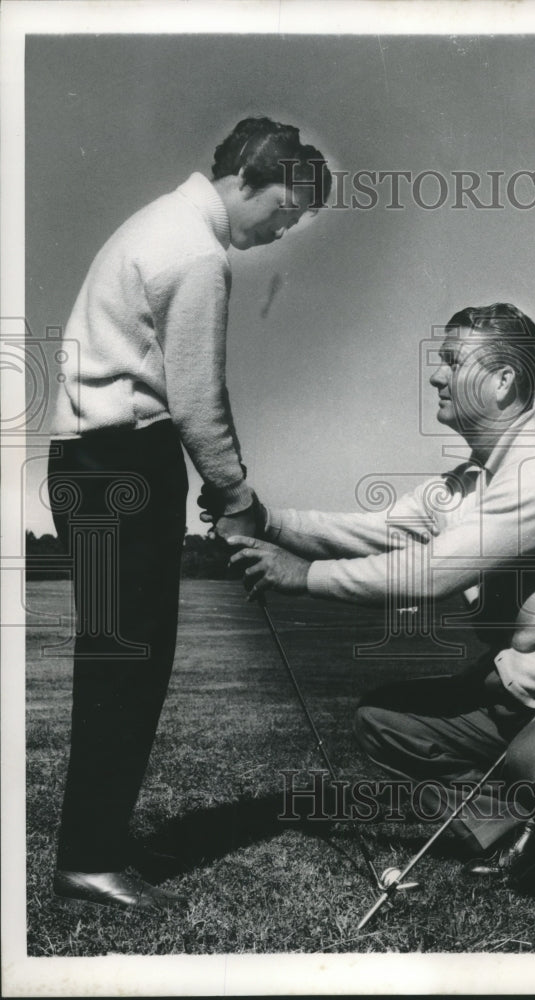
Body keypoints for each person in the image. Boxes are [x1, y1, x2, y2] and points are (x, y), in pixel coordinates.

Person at [225, 301, 535, 897]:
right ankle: (516, 828)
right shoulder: (468, 482)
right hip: (526, 695)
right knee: (385, 725)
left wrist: (301, 576)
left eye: (451, 361)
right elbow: (371, 530)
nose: (436, 376)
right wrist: (265, 520)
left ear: (502, 381)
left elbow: (433, 573)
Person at [47, 116, 331, 910]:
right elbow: (199, 401)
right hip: (124, 466)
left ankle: (92, 847)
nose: (284, 227)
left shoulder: (157, 221)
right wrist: (237, 496)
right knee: (128, 665)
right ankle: (89, 863)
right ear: (249, 178)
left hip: (86, 465)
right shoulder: (198, 255)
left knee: (113, 660)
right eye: (283, 207)